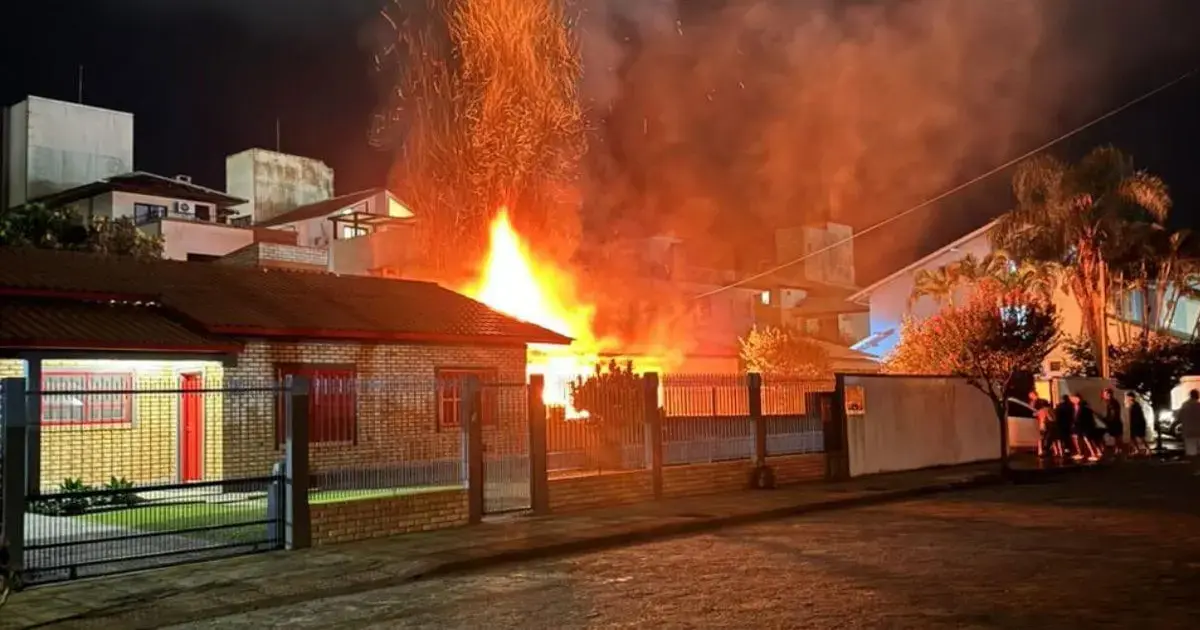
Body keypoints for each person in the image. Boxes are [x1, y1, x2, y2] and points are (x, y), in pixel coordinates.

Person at [1072, 395, 1103, 462]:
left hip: (1085, 427)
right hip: (1089, 426)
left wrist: (1075, 423)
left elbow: (1079, 419)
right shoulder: (1087, 409)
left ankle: (1093, 454)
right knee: (1091, 440)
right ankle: (1097, 452)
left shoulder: (1082, 409)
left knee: (1088, 440)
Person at [1176, 389, 1200, 459]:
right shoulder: (1199, 406)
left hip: (1188, 433)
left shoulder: (1185, 406)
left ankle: (1193, 468)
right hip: (1199, 432)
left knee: (1191, 454)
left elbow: (1179, 418)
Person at [1126, 391, 1150, 456]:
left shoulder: (1136, 405)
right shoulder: (1132, 405)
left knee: (1141, 438)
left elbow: (1138, 416)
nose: (1127, 398)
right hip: (1134, 424)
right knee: (1133, 438)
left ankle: (1148, 450)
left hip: (1138, 424)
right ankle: (1137, 450)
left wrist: (1137, 424)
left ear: (1131, 397)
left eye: (1128, 397)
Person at [1102, 388, 1125, 456]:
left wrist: (1108, 420)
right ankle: (1118, 450)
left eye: (1105, 394)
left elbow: (1113, 414)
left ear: (1109, 394)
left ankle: (1119, 450)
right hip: (1115, 422)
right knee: (1117, 437)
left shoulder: (1112, 402)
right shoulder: (1111, 402)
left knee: (1117, 437)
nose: (1104, 395)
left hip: (1115, 423)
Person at [1054, 395, 1076, 459]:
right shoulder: (1071, 405)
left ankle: (1063, 450)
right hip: (1069, 423)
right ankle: (1069, 449)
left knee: (1062, 437)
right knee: (1068, 437)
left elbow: (1057, 415)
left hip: (1061, 424)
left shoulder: (1060, 406)